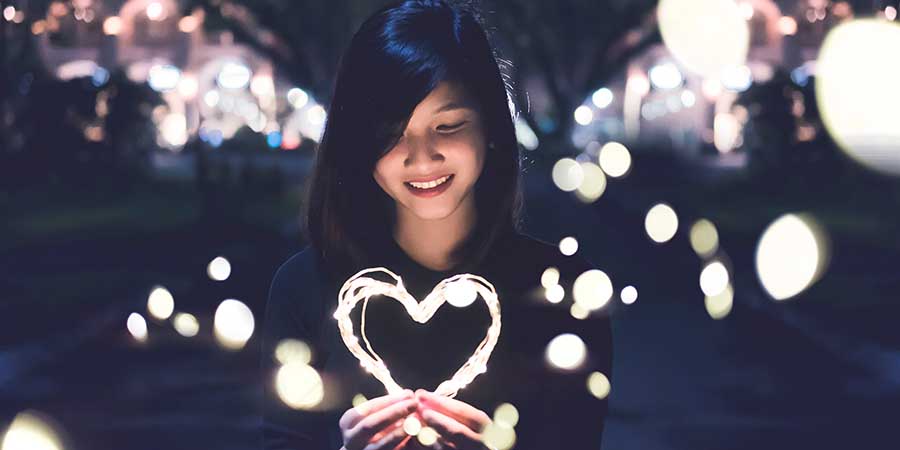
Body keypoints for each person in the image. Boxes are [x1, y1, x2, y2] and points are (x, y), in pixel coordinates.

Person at [260, 1, 614, 449]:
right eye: (392, 132)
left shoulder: (562, 293)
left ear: (489, 126)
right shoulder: (303, 288)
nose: (421, 156)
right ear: (356, 140)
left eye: (447, 125)